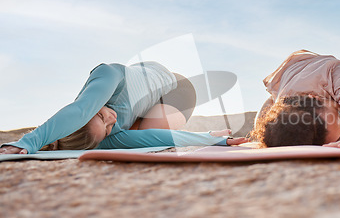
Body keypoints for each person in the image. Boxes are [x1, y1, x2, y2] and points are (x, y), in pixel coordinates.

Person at [0, 61, 246, 155]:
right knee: (142, 138)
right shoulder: (107, 136)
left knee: (141, 130)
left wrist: (28, 142)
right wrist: (211, 138)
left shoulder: (106, 75)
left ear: (91, 107)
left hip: (176, 88)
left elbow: (81, 109)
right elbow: (156, 137)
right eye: (108, 128)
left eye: (100, 114)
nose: (111, 119)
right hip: (144, 98)